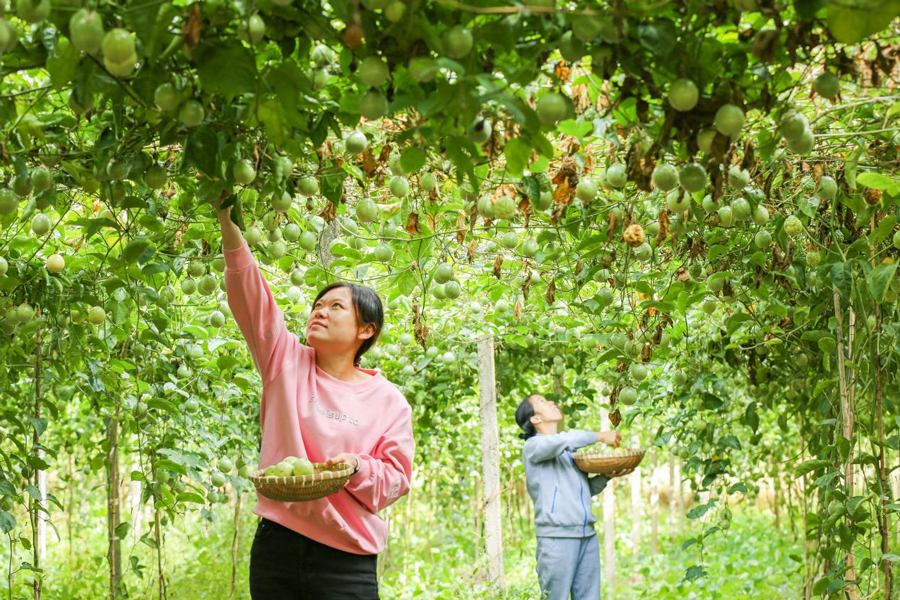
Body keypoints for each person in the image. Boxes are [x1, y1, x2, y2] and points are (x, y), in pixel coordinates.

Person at [216, 198, 414, 599]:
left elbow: (395, 482)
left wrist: (358, 466)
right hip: (278, 548)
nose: (319, 312)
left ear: (366, 330)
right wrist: (227, 220)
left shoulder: (388, 401)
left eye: (336, 307)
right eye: (317, 305)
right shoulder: (285, 362)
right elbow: (251, 298)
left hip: (347, 558)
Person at [516, 393, 634, 600]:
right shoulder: (533, 447)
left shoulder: (568, 454)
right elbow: (565, 439)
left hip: (586, 536)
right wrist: (599, 435)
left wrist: (605, 477)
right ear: (535, 419)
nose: (552, 402)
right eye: (543, 402)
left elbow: (583, 490)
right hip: (557, 538)